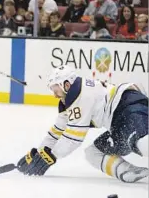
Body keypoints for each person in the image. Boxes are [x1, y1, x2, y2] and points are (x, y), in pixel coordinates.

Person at [16, 66, 148, 183]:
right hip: (117, 122)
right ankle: (128, 172)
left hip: (129, 106)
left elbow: (74, 138)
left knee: (141, 142)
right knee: (93, 153)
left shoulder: (80, 95)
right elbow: (57, 131)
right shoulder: (69, 99)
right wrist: (39, 154)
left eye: (55, 90)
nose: (55, 95)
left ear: (66, 85)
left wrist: (51, 156)